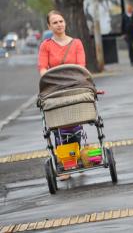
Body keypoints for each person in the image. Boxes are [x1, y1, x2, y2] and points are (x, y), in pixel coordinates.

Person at [38, 10, 86, 180]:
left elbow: (81, 66)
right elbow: (43, 67)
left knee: (74, 120)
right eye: (55, 22)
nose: (59, 24)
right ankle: (65, 161)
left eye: (61, 21)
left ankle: (75, 154)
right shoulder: (46, 45)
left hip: (74, 85)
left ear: (65, 23)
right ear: (49, 26)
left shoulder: (77, 43)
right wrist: (47, 79)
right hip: (55, 88)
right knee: (58, 123)